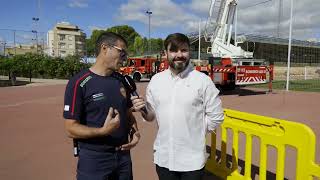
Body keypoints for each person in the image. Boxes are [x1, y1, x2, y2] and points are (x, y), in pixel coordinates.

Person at [131, 33, 224, 180]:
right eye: (174, 50)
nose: (179, 55)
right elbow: (151, 116)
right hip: (164, 158)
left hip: (192, 161)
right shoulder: (156, 81)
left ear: (189, 52)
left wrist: (197, 130)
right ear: (166, 53)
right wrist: (143, 109)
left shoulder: (203, 81)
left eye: (184, 50)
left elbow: (216, 116)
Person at [63, 32, 140, 180]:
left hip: (123, 157)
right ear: (105, 48)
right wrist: (103, 131)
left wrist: (135, 133)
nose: (125, 58)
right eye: (121, 52)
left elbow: (128, 113)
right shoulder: (79, 83)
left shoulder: (122, 80)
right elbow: (70, 128)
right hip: (94, 159)